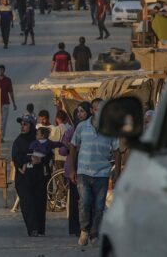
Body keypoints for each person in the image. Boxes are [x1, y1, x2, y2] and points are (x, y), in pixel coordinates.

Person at [70, 99, 121, 246]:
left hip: (102, 173)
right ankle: (84, 230)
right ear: (92, 111)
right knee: (85, 202)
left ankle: (94, 233)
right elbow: (73, 146)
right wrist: (73, 169)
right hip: (84, 172)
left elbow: (117, 151)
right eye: (96, 109)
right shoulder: (81, 127)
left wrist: (117, 172)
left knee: (99, 206)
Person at [60, 103, 89, 237]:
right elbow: (63, 150)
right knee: (77, 198)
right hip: (74, 167)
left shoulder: (93, 128)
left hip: (89, 167)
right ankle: (76, 228)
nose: (79, 114)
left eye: (82, 111)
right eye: (78, 112)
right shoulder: (73, 130)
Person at [11, 116, 36, 236]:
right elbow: (15, 157)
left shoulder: (37, 139)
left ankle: (38, 228)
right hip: (22, 177)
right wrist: (26, 160)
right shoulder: (18, 141)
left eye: (25, 124)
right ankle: (31, 229)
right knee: (26, 203)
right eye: (21, 124)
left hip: (36, 177)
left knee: (35, 203)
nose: (22, 126)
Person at [0, 65, 17, 141]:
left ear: (4, 71)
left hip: (5, 103)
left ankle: (1, 136)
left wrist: (14, 103)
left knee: (3, 120)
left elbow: (11, 92)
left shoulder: (8, 80)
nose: (0, 71)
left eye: (2, 70)